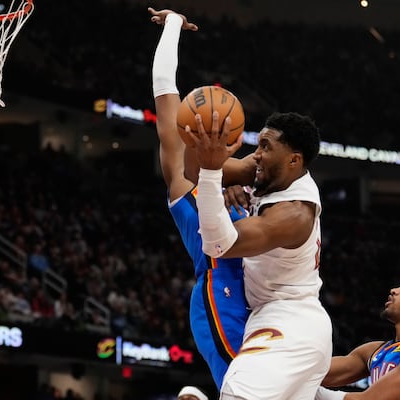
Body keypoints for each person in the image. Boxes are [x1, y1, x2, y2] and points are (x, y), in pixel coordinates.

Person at [188, 109, 332, 399]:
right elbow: (190, 171)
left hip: (292, 320)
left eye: (266, 147)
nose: (257, 154)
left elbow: (219, 245)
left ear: (294, 159)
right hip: (273, 315)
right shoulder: (271, 172)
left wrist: (213, 173)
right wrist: (201, 147)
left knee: (238, 392)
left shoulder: (294, 214)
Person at [148, 7, 255, 390]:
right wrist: (173, 27)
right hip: (219, 291)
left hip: (263, 293)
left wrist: (176, 22)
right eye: (200, 130)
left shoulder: (240, 182)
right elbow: (164, 86)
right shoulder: (181, 183)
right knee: (243, 386)